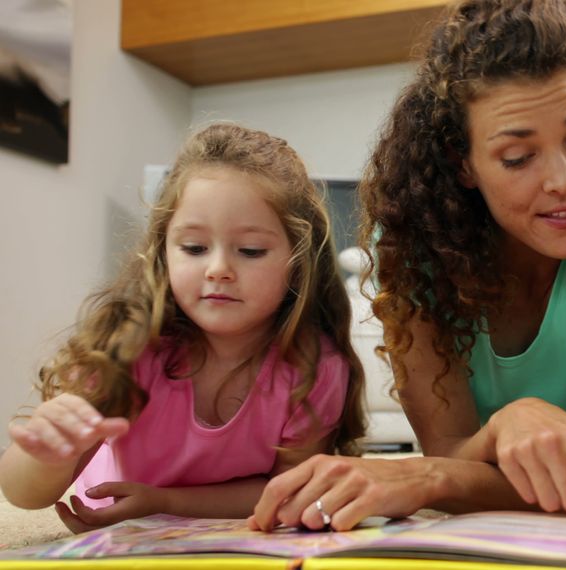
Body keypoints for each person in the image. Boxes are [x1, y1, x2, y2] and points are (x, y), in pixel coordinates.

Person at [248, 0, 566, 531]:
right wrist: (496, 432)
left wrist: (421, 478)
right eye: (518, 157)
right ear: (462, 162)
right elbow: (447, 446)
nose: (563, 180)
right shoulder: (417, 252)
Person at [0, 123, 365, 533]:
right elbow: (22, 494)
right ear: (163, 252)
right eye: (193, 248)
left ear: (300, 264)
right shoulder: (128, 346)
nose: (219, 269)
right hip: (114, 504)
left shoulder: (317, 368)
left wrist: (164, 502)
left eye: (250, 251)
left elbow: (286, 489)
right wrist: (48, 452)